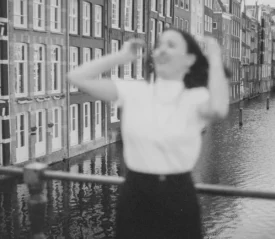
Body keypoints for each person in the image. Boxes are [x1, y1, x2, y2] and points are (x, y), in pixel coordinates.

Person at [67, 28, 230, 239]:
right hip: (135, 194)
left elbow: (219, 107)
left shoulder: (195, 98)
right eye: (159, 45)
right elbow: (76, 77)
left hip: (178, 195)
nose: (161, 50)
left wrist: (215, 58)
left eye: (171, 45)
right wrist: (122, 56)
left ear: (189, 59)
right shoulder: (134, 91)